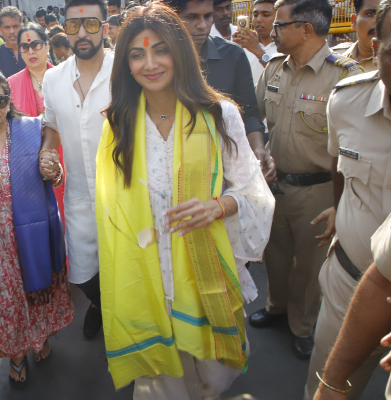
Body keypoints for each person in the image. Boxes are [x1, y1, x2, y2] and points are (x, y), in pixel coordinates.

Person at [95, 4, 273, 397]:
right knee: (165, 382)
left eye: (160, 50)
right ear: (125, 63)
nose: (150, 63)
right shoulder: (118, 123)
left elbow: (255, 193)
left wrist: (218, 206)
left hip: (203, 267)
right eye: (137, 54)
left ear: (180, 52)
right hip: (146, 275)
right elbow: (110, 208)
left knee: (213, 377)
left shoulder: (218, 114)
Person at [306, 1, 391, 397]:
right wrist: (343, 213)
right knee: (327, 384)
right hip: (350, 281)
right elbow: (340, 167)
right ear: (375, 47)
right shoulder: (346, 102)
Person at [250, 0, 364, 360]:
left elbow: (356, 146)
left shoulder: (346, 76)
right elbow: (257, 120)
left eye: (280, 25)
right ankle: (276, 307)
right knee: (277, 256)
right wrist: (261, 154)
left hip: (319, 189)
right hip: (275, 185)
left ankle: (302, 326)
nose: (272, 31)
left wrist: (340, 201)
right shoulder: (274, 68)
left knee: (310, 266)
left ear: (306, 29)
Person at [0, 70, 74, 387]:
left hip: (35, 236)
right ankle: (17, 352)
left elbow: (56, 177)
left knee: (39, 293)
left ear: (9, 101)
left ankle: (39, 337)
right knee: (6, 301)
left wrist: (55, 171)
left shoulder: (32, 131)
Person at [41, 0, 113, 339]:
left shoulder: (126, 72)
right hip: (79, 196)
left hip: (124, 195)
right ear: (63, 28)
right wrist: (47, 150)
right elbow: (51, 125)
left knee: (128, 268)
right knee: (82, 274)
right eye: (73, 25)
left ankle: (123, 325)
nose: (82, 32)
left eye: (91, 24)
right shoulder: (54, 78)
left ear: (106, 27)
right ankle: (101, 305)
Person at [163, 0, 274, 182]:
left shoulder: (233, 55)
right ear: (171, 17)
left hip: (224, 173)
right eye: (192, 17)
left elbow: (250, 114)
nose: (203, 25)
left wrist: (258, 150)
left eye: (208, 16)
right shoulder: (156, 60)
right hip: (168, 171)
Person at [7, 23, 67, 232]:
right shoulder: (11, 85)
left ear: (47, 46)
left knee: (70, 215)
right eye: (25, 46)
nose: (31, 51)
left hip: (67, 154)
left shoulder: (66, 78)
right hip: (28, 162)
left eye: (36, 44)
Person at [232, 0, 279, 84]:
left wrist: (258, 51)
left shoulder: (285, 46)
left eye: (266, 15)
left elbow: (279, 76)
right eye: (255, 15)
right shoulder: (244, 44)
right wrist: (234, 51)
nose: (258, 20)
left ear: (278, 17)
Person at [330, 0, 379, 73]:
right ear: (354, 21)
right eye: (371, 14)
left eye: (384, 14)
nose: (378, 22)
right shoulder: (333, 57)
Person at [0, 6, 27, 77]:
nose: (12, 31)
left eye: (15, 26)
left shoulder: (35, 51)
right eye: (7, 27)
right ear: (0, 30)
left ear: (22, 27)